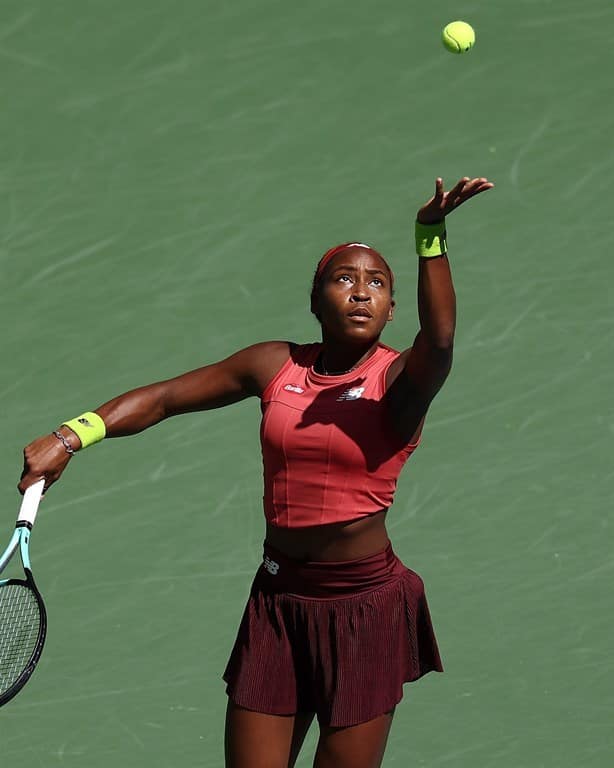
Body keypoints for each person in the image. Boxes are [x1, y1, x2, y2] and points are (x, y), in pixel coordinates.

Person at [19, 175, 494, 768]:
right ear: (315, 299)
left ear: (393, 308)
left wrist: (430, 238)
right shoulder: (273, 364)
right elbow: (166, 397)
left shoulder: (399, 383)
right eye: (344, 278)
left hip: (363, 611)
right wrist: (72, 435)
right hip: (277, 601)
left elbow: (442, 339)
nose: (361, 292)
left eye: (377, 284)